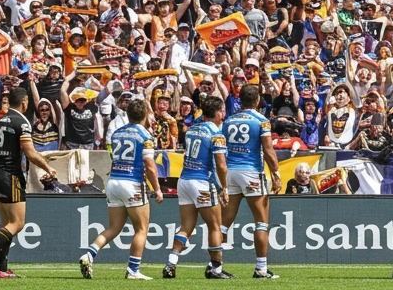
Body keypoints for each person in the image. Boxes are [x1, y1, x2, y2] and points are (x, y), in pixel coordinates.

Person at [0, 87, 57, 279]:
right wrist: (48, 168)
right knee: (18, 223)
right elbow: (30, 153)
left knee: (6, 223)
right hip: (10, 174)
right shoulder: (21, 122)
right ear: (24, 101)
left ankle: (2, 268)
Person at [79, 98, 163, 279]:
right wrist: (157, 188)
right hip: (132, 182)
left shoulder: (117, 133)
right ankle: (133, 270)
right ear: (145, 116)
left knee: (114, 227)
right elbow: (149, 165)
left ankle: (89, 254)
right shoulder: (146, 136)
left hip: (114, 181)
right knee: (141, 229)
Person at [164, 97, 231, 280]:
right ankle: (216, 269)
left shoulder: (192, 129)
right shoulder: (217, 134)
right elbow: (221, 166)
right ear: (218, 113)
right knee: (214, 226)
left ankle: (171, 262)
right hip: (202, 182)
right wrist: (223, 187)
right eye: (222, 111)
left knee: (186, 226)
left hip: (184, 180)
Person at [220, 85, 282, 279]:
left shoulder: (228, 120)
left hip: (230, 172)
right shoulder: (261, 121)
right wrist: (276, 173)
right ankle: (261, 268)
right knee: (261, 222)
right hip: (251, 172)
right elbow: (268, 150)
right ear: (257, 101)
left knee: (223, 224)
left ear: (240, 100)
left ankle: (214, 265)